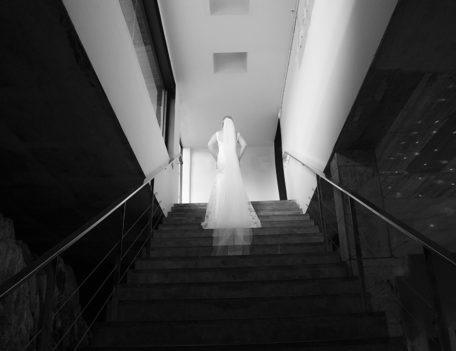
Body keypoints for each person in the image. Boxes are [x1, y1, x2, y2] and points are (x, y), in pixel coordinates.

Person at [202, 116, 261, 255]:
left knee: (221, 188)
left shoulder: (217, 134)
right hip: (232, 164)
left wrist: (217, 158)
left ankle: (220, 218)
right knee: (235, 189)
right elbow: (245, 145)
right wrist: (238, 158)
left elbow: (209, 145)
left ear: (222, 124)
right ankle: (235, 216)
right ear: (232, 125)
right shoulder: (236, 134)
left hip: (222, 163)